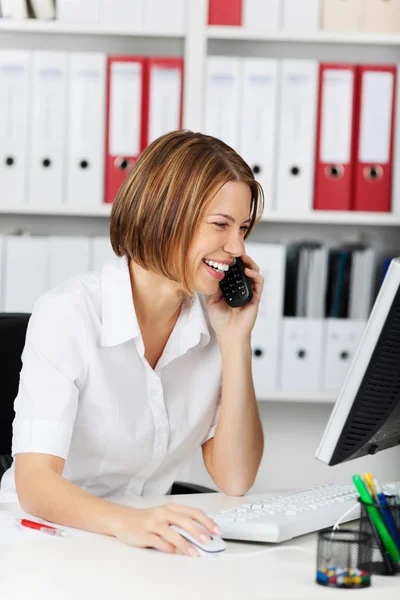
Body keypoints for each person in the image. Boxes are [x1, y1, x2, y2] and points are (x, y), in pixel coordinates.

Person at [0, 130, 265, 557]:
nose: (236, 248)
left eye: (243, 229)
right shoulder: (68, 314)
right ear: (164, 214)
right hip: (43, 541)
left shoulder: (214, 324)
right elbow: (35, 482)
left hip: (142, 543)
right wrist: (129, 522)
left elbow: (235, 478)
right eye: (220, 225)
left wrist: (236, 340)